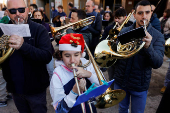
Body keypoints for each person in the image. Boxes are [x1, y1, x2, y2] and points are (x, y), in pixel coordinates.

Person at [0, 0, 52, 112]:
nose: (18, 13)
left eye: (21, 10)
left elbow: (47, 56)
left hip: (36, 89)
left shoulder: (39, 29)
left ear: (27, 10)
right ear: (8, 13)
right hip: (15, 88)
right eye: (13, 11)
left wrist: (23, 46)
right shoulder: (3, 30)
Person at [113, 0, 165, 113]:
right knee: (122, 109)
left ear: (151, 13)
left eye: (147, 12)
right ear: (134, 14)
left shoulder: (158, 36)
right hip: (121, 82)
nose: (144, 16)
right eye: (140, 13)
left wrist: (148, 47)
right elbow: (116, 57)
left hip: (139, 85)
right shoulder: (124, 31)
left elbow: (158, 63)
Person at [50, 33, 100, 113]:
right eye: (67, 56)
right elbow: (60, 110)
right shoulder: (57, 75)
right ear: (61, 56)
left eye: (76, 55)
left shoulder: (88, 64)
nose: (72, 60)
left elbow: (103, 86)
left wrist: (89, 74)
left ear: (81, 54)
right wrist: (74, 92)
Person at [33, 9, 54, 80]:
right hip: (36, 52)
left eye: (39, 15)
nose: (37, 17)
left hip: (48, 50)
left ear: (42, 16)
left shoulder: (47, 26)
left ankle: (53, 87)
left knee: (51, 70)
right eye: (35, 16)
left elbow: (52, 38)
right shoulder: (31, 27)